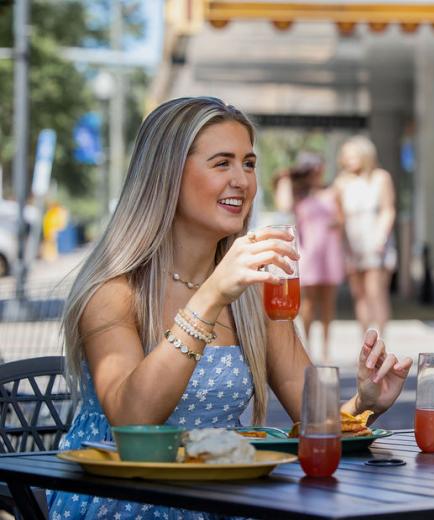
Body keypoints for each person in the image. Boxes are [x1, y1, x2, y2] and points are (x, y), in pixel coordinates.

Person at [49, 97, 412, 519]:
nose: (242, 180)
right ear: (166, 176)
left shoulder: (256, 294)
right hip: (123, 500)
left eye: (249, 164)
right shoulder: (114, 289)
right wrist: (211, 296)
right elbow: (132, 419)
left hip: (222, 498)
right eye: (222, 163)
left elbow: (316, 423)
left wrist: (366, 401)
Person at [274, 152, 346, 363]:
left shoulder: (332, 191)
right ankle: (308, 345)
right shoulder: (297, 194)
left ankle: (325, 347)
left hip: (329, 249)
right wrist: (288, 177)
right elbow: (284, 206)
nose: (315, 171)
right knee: (308, 301)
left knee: (328, 302)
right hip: (307, 250)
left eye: (318, 166)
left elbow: (342, 218)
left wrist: (334, 224)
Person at [333, 136, 396, 336]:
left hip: (376, 240)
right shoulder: (341, 183)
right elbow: (339, 216)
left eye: (353, 155)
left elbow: (388, 210)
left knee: (375, 292)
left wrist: (381, 238)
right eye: (346, 156)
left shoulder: (381, 178)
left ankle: (381, 341)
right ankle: (366, 341)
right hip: (352, 243)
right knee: (359, 295)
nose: (348, 160)